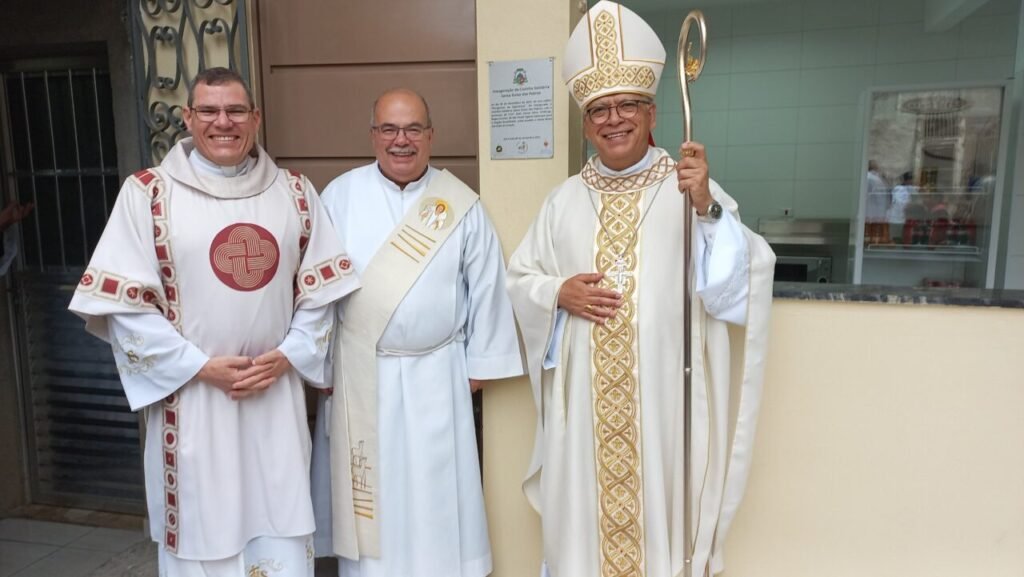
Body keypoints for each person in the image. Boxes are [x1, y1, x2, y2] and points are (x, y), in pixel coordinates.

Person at [505, 3, 776, 576]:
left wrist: (707, 208)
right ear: (584, 124)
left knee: (661, 523)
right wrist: (557, 293)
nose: (613, 119)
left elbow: (741, 280)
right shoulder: (563, 201)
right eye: (599, 109)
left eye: (627, 105)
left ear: (652, 113)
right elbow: (520, 279)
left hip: (663, 404)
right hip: (584, 410)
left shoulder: (687, 188)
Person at [68, 67, 359, 577]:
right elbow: (124, 307)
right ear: (188, 118)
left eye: (235, 111)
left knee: (280, 526)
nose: (223, 122)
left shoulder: (294, 192)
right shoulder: (148, 195)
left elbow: (323, 292)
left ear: (256, 118)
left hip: (274, 398)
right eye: (209, 110)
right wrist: (200, 367)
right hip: (194, 400)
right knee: (205, 532)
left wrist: (288, 355)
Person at [313, 88, 523, 577]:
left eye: (412, 129)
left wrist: (478, 366)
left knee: (436, 493)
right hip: (362, 375)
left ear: (431, 135)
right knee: (375, 498)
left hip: (437, 373)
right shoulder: (339, 197)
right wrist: (321, 365)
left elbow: (487, 283)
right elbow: (317, 289)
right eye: (389, 128)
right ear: (373, 135)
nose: (400, 140)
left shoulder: (460, 204)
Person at [864, 160, 889, 244]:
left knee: (870, 226)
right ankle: (872, 241)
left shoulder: (872, 177)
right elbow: (878, 194)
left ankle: (870, 241)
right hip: (874, 206)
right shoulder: (873, 178)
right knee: (872, 226)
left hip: (872, 206)